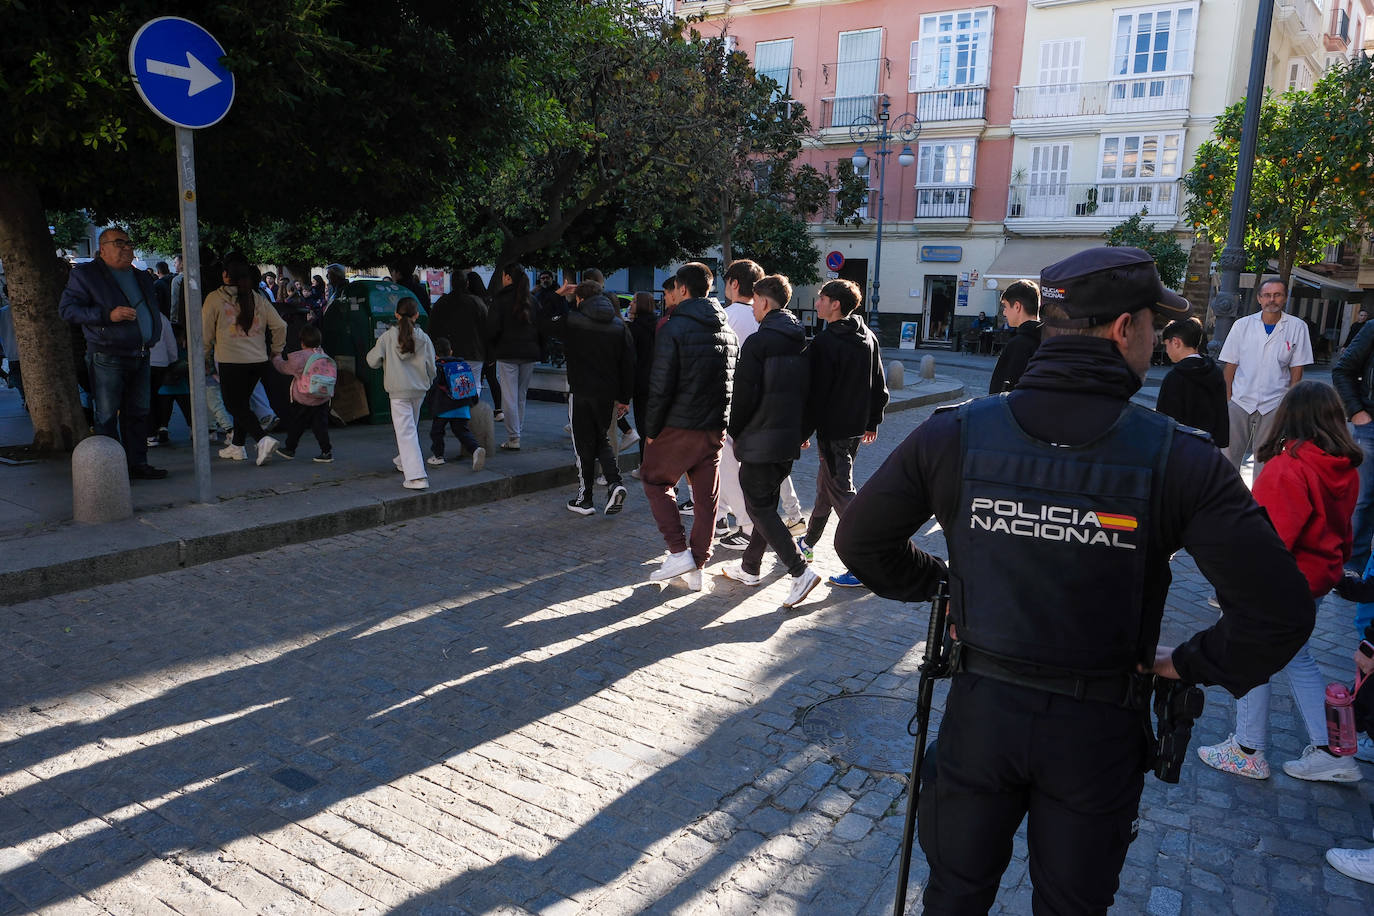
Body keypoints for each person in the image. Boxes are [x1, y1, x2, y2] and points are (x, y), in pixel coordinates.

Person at [834, 246, 1315, 914]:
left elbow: (861, 542)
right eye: (1151, 324)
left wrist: (945, 586)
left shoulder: (957, 433)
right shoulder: (1180, 457)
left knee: (953, 895)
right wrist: (1186, 664)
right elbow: (1279, 613)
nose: (1154, 338)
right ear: (1123, 328)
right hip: (1097, 731)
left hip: (983, 715)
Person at [1196, 381, 1361, 783]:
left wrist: (1237, 583)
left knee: (1254, 652)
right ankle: (1331, 749)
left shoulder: (1290, 466)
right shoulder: (1343, 466)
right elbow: (1344, 529)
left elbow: (1269, 540)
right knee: (1297, 657)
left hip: (1281, 581)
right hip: (1317, 576)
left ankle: (1248, 748)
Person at [718, 274, 822, 608]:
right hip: (787, 438)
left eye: (755, 303)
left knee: (758, 507)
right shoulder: (803, 340)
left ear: (763, 301)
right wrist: (802, 433)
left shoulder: (759, 342)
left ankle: (799, 571)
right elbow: (812, 396)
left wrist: (734, 431)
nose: (753, 309)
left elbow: (743, 396)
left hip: (760, 437)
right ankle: (750, 567)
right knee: (766, 505)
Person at [640, 262, 738, 590]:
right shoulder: (728, 330)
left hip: (680, 424)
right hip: (714, 426)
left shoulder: (674, 327)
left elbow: (660, 384)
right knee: (706, 497)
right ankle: (697, 565)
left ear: (682, 289)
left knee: (654, 480)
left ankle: (679, 552)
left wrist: (651, 430)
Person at [798, 279, 887, 589]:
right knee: (827, 488)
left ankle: (865, 562)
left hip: (834, 431)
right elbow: (879, 384)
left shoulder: (825, 343)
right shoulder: (868, 335)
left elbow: (815, 395)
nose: (817, 303)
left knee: (842, 493)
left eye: (821, 298)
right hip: (854, 430)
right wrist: (872, 421)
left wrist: (803, 430)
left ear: (835, 304)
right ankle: (808, 543)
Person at [58, 226, 167, 479]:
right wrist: (108, 316)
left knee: (138, 412)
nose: (127, 248)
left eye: (128, 243)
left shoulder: (140, 276)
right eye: (119, 243)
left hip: (141, 352)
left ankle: (137, 464)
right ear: (103, 248)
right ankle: (110, 470)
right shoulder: (86, 275)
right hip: (108, 354)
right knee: (107, 416)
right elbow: (68, 310)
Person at [548, 280, 634, 516]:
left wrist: (556, 295)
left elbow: (542, 320)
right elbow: (628, 364)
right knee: (600, 439)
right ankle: (614, 482)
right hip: (607, 392)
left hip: (582, 390)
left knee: (583, 444)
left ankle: (585, 497)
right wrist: (624, 397)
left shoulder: (573, 320)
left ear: (580, 299)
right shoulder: (619, 325)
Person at [1218, 278, 1312, 476]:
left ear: (1285, 298)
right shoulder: (1242, 325)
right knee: (1228, 459)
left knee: (1267, 462)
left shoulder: (1297, 327)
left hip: (1275, 403)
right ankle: (1227, 495)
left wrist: (1289, 404)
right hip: (1239, 400)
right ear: (1259, 298)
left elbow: (1297, 369)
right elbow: (1230, 366)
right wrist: (1227, 400)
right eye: (1267, 295)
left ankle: (1261, 496)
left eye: (1277, 295)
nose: (1272, 300)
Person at [202, 259, 287, 466]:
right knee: (243, 404)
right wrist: (276, 350)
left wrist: (203, 358)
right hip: (258, 361)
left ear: (225, 275)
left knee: (233, 404)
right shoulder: (257, 297)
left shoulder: (215, 298)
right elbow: (280, 325)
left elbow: (205, 334)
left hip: (231, 361)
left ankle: (262, 439)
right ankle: (237, 446)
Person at [716, 259, 765, 550]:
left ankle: (746, 525)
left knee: (727, 463)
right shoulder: (762, 318)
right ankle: (721, 516)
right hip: (758, 400)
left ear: (734, 283)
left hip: (731, 400)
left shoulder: (726, 316)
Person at [367, 297, 436, 489]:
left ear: (396, 314)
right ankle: (402, 460)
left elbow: (371, 361)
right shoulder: (424, 338)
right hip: (419, 390)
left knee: (406, 431)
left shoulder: (387, 337)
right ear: (416, 315)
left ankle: (416, 476)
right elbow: (432, 367)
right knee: (410, 428)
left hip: (398, 390)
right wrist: (428, 381)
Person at [1332, 320, 1374, 574]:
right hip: (1370, 426)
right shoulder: (1372, 328)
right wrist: (1356, 411)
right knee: (1363, 499)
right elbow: (1342, 370)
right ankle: (1351, 567)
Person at [486, 264, 541, 450]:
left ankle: (514, 436)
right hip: (529, 352)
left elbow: (492, 329)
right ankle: (517, 431)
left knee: (509, 396)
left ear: (508, 277)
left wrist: (492, 350)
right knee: (520, 395)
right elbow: (541, 327)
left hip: (507, 352)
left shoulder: (500, 300)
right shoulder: (532, 300)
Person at [1156, 316, 1229, 447]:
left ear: (1176, 342)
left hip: (1181, 448)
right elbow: (1222, 414)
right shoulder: (1215, 372)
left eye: (1166, 345)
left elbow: (1165, 419)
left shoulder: (1174, 377)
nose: (1166, 350)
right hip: (1209, 446)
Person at [271, 324, 335, 463]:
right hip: (322, 398)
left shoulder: (300, 358)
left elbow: (284, 368)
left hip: (303, 398)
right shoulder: (323, 355)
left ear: (302, 342)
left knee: (297, 425)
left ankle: (290, 449)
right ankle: (326, 451)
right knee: (320, 427)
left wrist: (276, 358)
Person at [426, 336, 485, 472]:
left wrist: (430, 405)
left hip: (443, 408)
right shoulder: (462, 365)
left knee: (437, 432)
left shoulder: (438, 367)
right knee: (461, 431)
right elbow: (470, 385)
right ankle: (475, 449)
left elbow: (433, 388)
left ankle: (438, 456)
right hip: (462, 407)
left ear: (434, 355)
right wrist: (473, 402)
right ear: (451, 351)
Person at [987, 279, 1042, 394]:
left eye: (1006, 307)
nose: (1004, 313)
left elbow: (1000, 392)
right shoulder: (1049, 341)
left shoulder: (1018, 344)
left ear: (1017, 306)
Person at [465, 270, 503, 421]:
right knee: (492, 378)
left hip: (475, 347)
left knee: (476, 380)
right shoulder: (488, 301)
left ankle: (473, 409)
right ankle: (498, 409)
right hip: (488, 346)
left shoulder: (471, 302)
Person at [628, 291, 658, 475]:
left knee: (642, 425)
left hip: (641, 383)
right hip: (659, 381)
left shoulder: (635, 328)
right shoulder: (659, 324)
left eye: (634, 301)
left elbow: (631, 359)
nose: (630, 304)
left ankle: (644, 466)